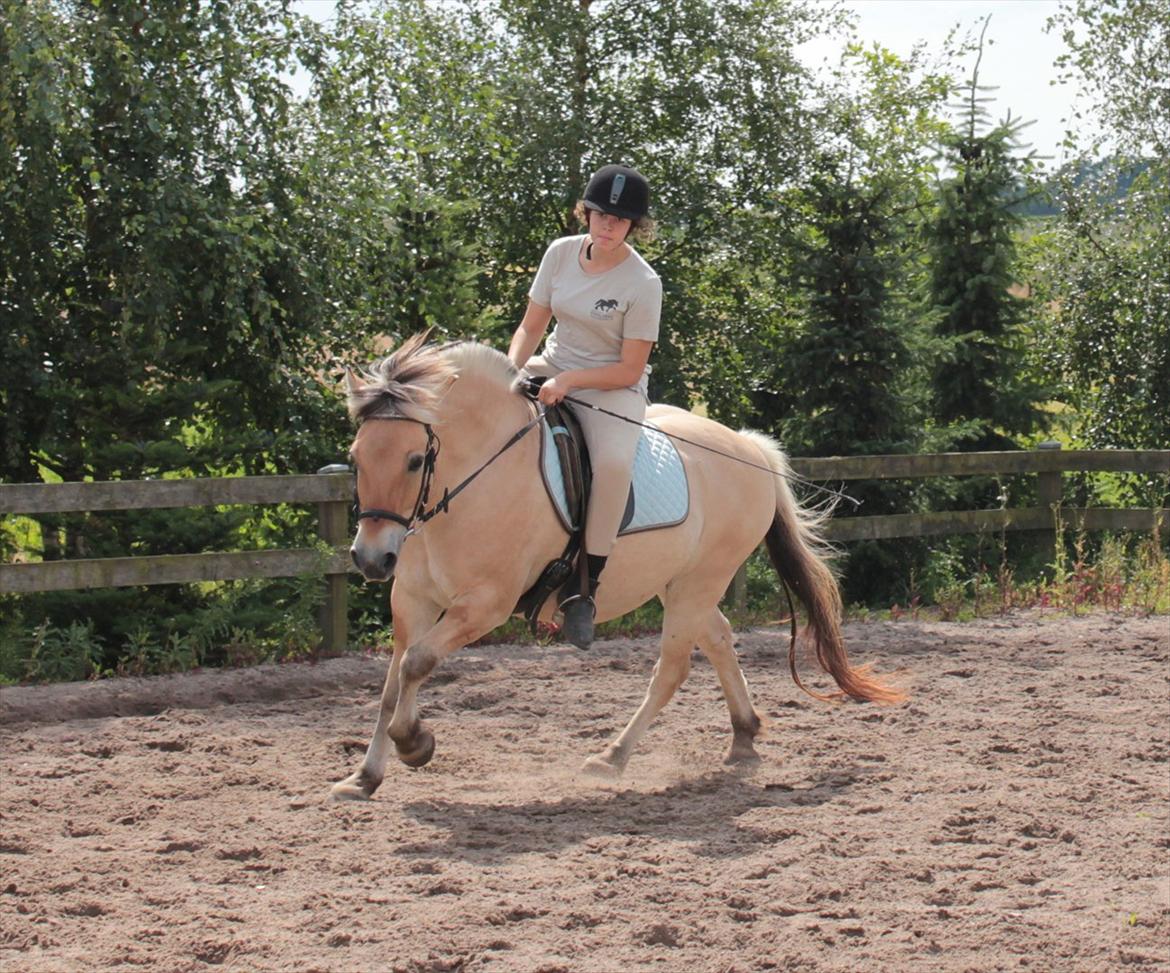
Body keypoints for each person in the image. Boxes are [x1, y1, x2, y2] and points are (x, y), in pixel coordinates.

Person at [507, 163, 662, 650]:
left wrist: (568, 382)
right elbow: (532, 326)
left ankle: (585, 590)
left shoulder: (643, 282)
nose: (608, 224)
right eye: (600, 214)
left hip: (609, 386)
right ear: (586, 213)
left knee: (614, 467)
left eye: (620, 220)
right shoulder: (559, 254)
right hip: (552, 362)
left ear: (634, 226)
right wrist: (510, 369)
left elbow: (629, 370)